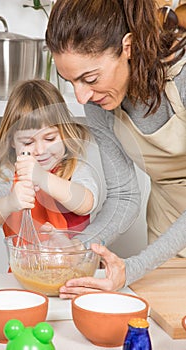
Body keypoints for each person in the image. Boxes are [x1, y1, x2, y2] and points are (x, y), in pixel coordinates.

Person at [45, 0, 186, 298]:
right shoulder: (100, 103)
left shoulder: (183, 79)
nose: (81, 96)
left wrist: (133, 267)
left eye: (90, 78)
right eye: (71, 82)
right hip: (168, 230)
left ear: (128, 46)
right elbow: (124, 195)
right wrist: (78, 247)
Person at [0, 79, 106, 241]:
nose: (40, 150)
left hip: (72, 264)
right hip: (24, 265)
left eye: (50, 138)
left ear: (64, 133)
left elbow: (85, 204)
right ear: (11, 141)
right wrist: (10, 203)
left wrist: (42, 177)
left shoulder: (75, 169)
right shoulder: (11, 173)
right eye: (28, 142)